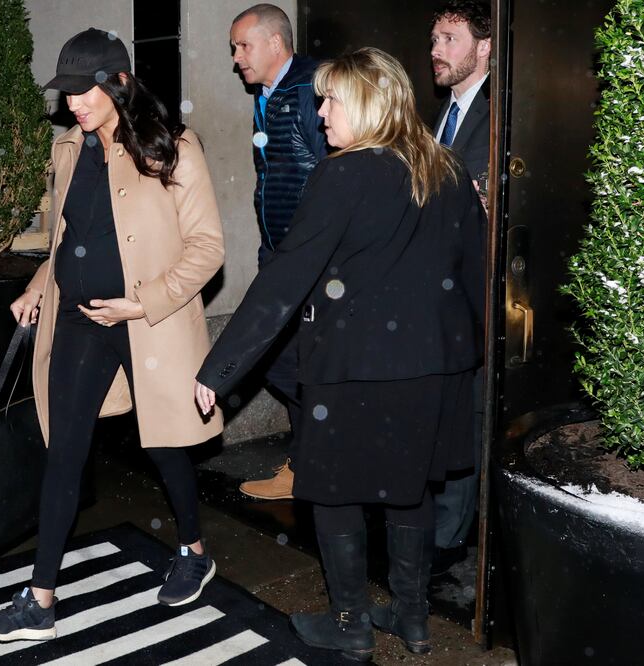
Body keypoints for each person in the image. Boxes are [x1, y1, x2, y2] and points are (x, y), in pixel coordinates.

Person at [195, 48, 485, 661]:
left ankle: (351, 622)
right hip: (432, 367)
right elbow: (474, 277)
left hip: (355, 367)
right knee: (411, 492)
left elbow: (284, 279)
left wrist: (220, 369)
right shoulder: (448, 171)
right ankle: (412, 620)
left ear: (366, 103)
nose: (320, 114)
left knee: (331, 492)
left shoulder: (345, 174)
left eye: (330, 101)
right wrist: (466, 353)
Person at [0, 28, 225, 643]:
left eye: (85, 91)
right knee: (64, 452)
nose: (74, 103)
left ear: (118, 84)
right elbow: (65, 238)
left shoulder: (172, 148)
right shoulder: (68, 150)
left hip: (148, 323)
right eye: (67, 93)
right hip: (80, 320)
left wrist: (142, 304)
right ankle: (40, 600)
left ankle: (192, 549)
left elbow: (208, 248)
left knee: (164, 443)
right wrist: (37, 285)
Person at [229, 4, 326, 500]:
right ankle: (312, 457)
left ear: (274, 43)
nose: (236, 57)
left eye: (242, 46)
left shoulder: (313, 87)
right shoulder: (267, 93)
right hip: (279, 254)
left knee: (291, 358)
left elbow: (331, 174)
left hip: (312, 260)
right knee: (278, 356)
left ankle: (318, 460)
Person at [429, 0, 491, 575]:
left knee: (468, 413)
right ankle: (436, 529)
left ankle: (452, 538)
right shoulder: (439, 116)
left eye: (450, 38)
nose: (436, 50)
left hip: (475, 292)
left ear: (485, 47)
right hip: (433, 291)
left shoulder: (500, 117)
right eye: (434, 39)